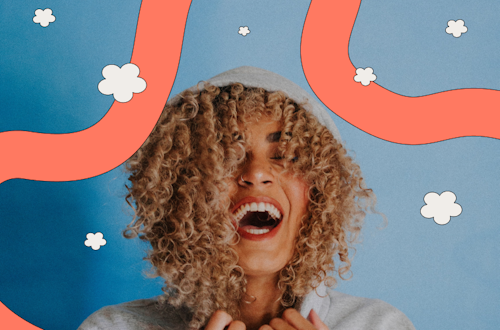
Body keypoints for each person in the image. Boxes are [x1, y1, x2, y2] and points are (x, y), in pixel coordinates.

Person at [78, 66, 415, 330]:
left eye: (286, 154)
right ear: (179, 194)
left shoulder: (380, 325)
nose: (256, 173)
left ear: (321, 192)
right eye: (226, 154)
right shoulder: (111, 327)